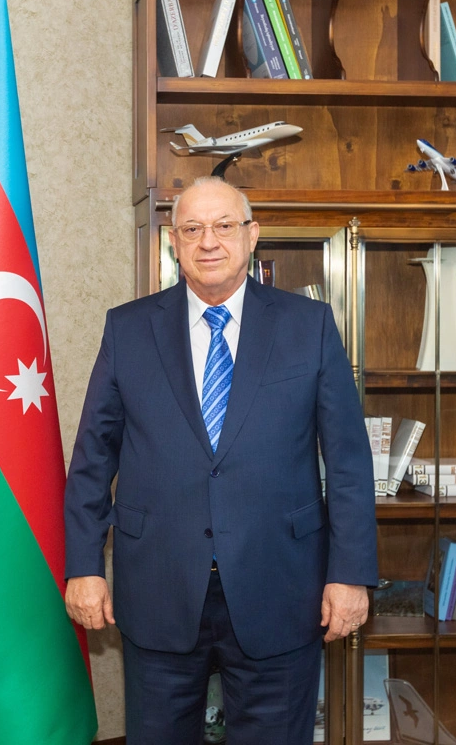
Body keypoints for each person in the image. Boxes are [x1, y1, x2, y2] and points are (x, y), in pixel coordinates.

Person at [63, 176, 377, 745]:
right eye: (192, 229)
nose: (209, 241)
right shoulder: (128, 329)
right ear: (174, 244)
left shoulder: (309, 327)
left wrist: (350, 575)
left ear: (251, 235)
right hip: (159, 587)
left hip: (281, 588)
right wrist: (84, 567)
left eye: (224, 226)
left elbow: (350, 463)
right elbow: (92, 459)